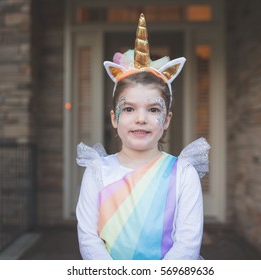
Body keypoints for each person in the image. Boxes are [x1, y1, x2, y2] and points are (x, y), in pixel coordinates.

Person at [76, 14, 210, 260]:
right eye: (129, 109)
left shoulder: (182, 173)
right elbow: (89, 239)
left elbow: (187, 244)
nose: (141, 118)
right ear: (114, 118)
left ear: (167, 120)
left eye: (153, 109)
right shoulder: (97, 172)